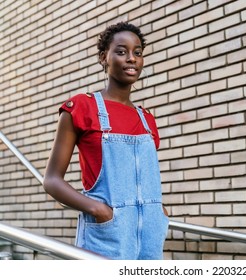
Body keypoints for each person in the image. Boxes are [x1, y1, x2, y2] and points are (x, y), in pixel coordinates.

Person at [43, 22, 169, 260]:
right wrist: (97, 209)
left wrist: (158, 212)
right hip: (106, 236)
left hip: (150, 237)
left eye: (138, 52)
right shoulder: (82, 108)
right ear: (104, 58)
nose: (131, 58)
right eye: (121, 51)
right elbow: (51, 180)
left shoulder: (147, 119)